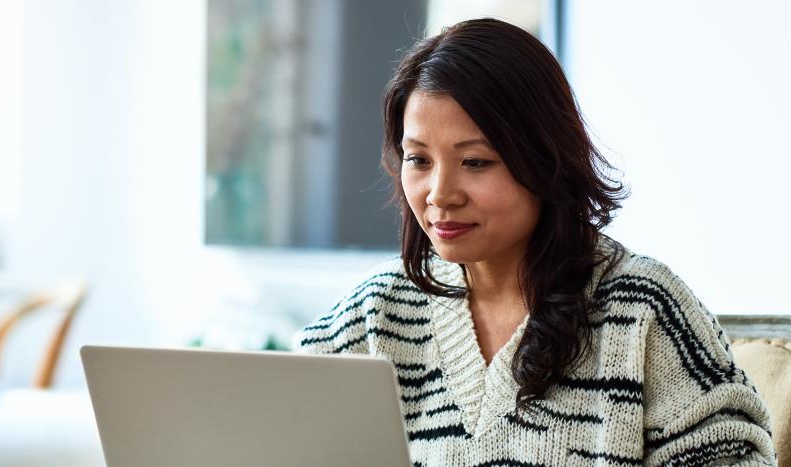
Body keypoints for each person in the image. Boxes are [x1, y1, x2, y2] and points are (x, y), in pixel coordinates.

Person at [293, 18, 775, 466]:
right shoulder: (375, 314)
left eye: (476, 162)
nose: (440, 194)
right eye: (418, 159)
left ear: (544, 159)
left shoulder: (643, 310)